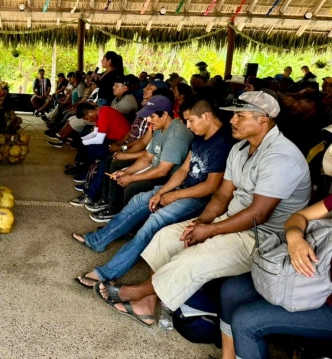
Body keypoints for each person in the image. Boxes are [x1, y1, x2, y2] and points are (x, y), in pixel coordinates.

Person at [94, 91, 310, 328]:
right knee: (167, 237)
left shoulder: (280, 156)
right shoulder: (240, 150)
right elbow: (222, 195)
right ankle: (147, 305)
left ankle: (135, 293)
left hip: (261, 237)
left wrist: (210, 231)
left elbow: (259, 214)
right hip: (231, 219)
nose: (232, 120)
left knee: (192, 257)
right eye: (233, 115)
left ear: (263, 120)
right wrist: (201, 223)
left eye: (240, 115)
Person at [73, 95, 233, 288]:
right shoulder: (200, 138)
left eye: (190, 121)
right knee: (139, 200)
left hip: (199, 199)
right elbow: (183, 170)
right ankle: (99, 240)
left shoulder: (223, 143)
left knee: (153, 223)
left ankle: (106, 272)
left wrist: (172, 195)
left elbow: (211, 187)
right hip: (183, 189)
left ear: (206, 116)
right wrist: (161, 193)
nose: (188, 126)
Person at [220, 196, 332, 359]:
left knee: (246, 321)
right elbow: (299, 217)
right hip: (311, 277)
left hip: (326, 304)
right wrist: (295, 238)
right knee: (232, 290)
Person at [88, 95, 193, 221]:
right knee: (119, 172)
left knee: (131, 188)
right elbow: (147, 158)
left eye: (152, 116)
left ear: (164, 115)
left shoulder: (176, 135)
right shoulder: (159, 128)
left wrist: (131, 178)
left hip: (169, 176)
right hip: (156, 167)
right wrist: (126, 172)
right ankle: (115, 210)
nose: (148, 120)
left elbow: (163, 171)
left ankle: (128, 224)